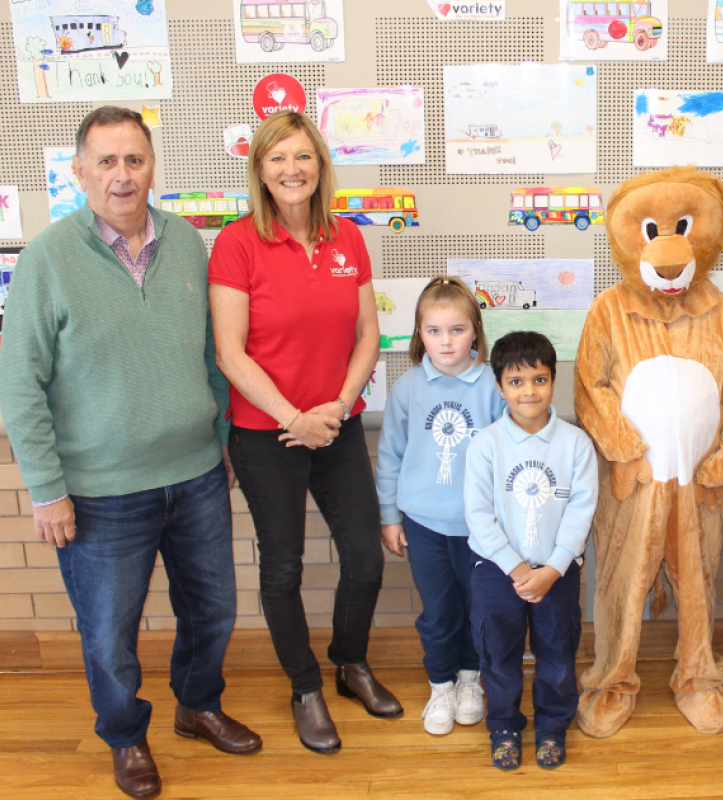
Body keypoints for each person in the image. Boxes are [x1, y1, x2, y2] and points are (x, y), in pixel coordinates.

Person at [0, 106, 260, 798]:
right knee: (109, 636)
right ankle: (125, 736)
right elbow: (18, 384)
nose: (123, 175)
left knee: (214, 612)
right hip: (98, 493)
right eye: (107, 161)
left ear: (152, 168)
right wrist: (48, 490)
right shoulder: (47, 260)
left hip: (198, 475)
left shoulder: (187, 243)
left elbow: (210, 357)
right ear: (80, 171)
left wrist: (223, 441)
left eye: (135, 160)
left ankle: (198, 705)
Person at [208, 110, 397, 755]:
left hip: (336, 423)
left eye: (303, 157)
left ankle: (350, 664)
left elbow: (369, 334)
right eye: (277, 158)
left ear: (320, 165)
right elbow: (231, 353)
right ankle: (305, 686)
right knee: (282, 568)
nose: (292, 169)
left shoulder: (348, 236)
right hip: (268, 433)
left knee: (365, 559)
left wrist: (339, 408)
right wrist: (295, 418)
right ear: (260, 170)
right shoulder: (236, 243)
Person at [376, 276, 507, 735]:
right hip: (424, 523)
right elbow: (390, 454)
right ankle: (441, 685)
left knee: (479, 608)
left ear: (475, 331)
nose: (446, 341)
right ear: (419, 334)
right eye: (434, 331)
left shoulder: (494, 386)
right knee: (438, 610)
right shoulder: (408, 388)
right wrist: (390, 516)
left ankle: (471, 680)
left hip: (480, 528)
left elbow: (508, 456)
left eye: (457, 330)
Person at [464, 332, 599, 770]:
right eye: (517, 381)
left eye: (539, 379)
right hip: (496, 573)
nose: (529, 391)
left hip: (556, 574)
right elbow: (478, 515)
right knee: (498, 655)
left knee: (557, 655)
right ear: (499, 387)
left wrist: (553, 568)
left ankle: (552, 728)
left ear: (553, 381)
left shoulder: (576, 443)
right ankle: (504, 727)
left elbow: (581, 513)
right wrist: (517, 568)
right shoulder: (485, 443)